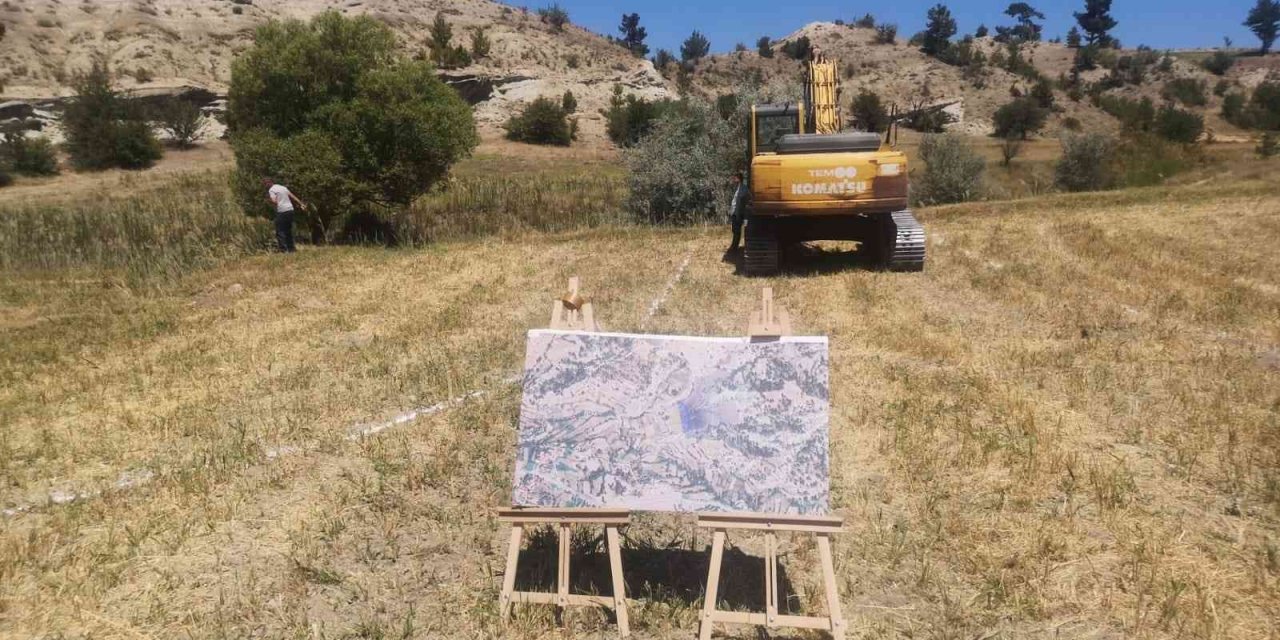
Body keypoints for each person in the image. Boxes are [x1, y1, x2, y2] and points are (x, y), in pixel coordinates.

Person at [264, 178, 306, 253]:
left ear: (268, 183)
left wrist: (268, 200)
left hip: (282, 211)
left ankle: (283, 250)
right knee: (288, 230)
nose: (265, 186)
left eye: (265, 184)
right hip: (290, 209)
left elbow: (275, 202)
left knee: (280, 231)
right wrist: (301, 204)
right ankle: (292, 249)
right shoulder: (283, 187)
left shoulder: (271, 190)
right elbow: (292, 196)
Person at [726, 171, 749, 254]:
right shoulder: (736, 188)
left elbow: (742, 202)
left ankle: (734, 247)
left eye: (735, 178)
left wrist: (740, 214)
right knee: (734, 230)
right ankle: (734, 246)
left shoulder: (743, 189)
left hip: (738, 213)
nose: (734, 179)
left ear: (739, 179)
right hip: (734, 212)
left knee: (736, 230)